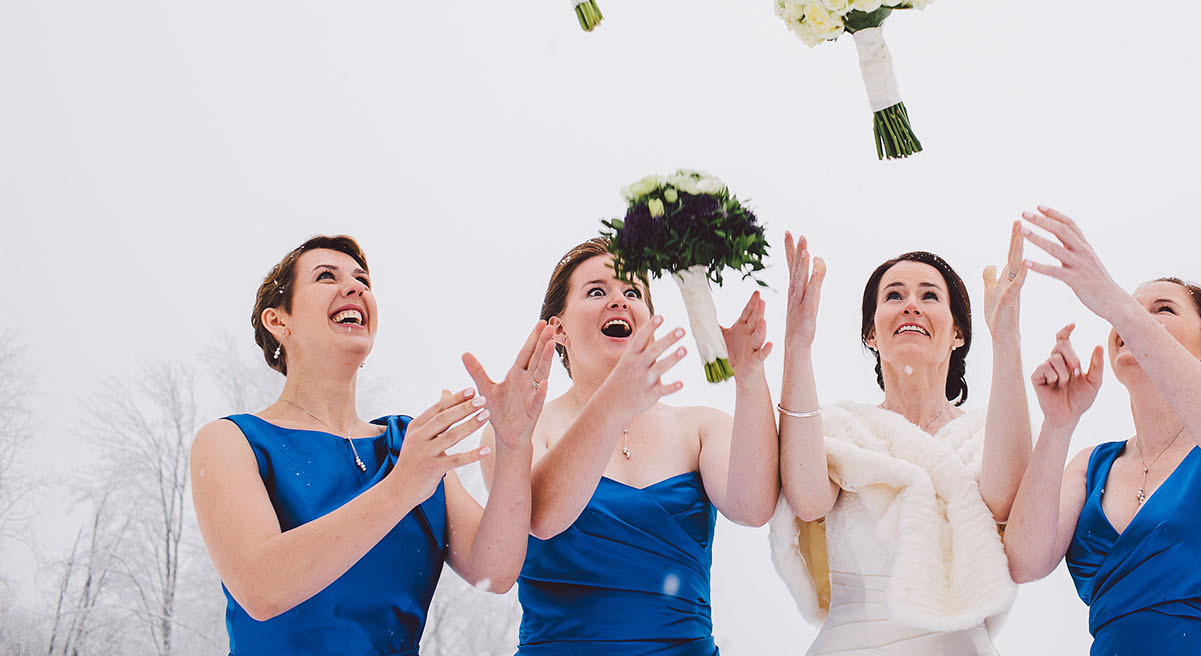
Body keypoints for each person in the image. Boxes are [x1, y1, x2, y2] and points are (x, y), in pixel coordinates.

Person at [190, 235, 553, 653]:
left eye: (362, 279)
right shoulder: (231, 441)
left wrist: (512, 444)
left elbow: (495, 569)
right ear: (278, 321)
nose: (356, 287)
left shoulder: (409, 444)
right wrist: (401, 488)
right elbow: (261, 588)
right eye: (326, 277)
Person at [1002, 206, 1201, 655]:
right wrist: (1059, 425)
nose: (1133, 321)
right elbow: (1024, 561)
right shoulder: (1093, 465)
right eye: (1130, 314)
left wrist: (1115, 300)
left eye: (1162, 309)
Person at [487, 237, 778, 655]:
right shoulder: (519, 428)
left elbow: (753, 507)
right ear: (558, 329)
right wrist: (611, 407)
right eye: (597, 291)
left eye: (632, 292)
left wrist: (750, 380)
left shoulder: (698, 427)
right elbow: (544, 518)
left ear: (649, 319)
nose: (618, 301)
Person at [771, 227, 1033, 655]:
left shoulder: (987, 432)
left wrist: (1007, 337)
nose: (911, 304)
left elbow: (1005, 502)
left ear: (958, 334)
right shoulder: (842, 429)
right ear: (871, 334)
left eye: (930, 296)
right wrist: (797, 341)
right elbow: (807, 500)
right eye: (893, 296)